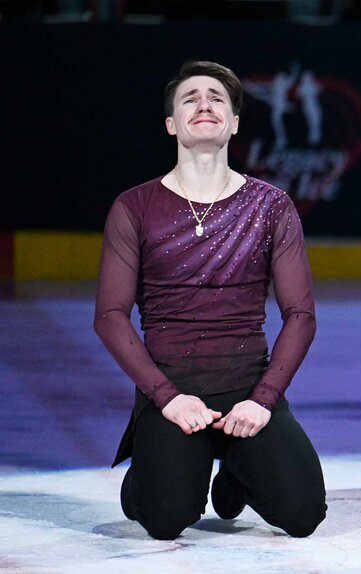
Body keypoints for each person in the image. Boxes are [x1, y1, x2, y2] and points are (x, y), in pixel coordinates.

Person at [93, 60, 327, 540]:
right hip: (172, 394)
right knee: (165, 521)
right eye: (190, 98)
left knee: (303, 517)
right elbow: (110, 317)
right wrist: (167, 398)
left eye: (217, 98)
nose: (204, 104)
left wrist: (263, 400)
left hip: (248, 390)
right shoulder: (134, 207)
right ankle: (145, 478)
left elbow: (300, 315)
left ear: (234, 123)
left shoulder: (271, 206)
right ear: (171, 124)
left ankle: (237, 473)